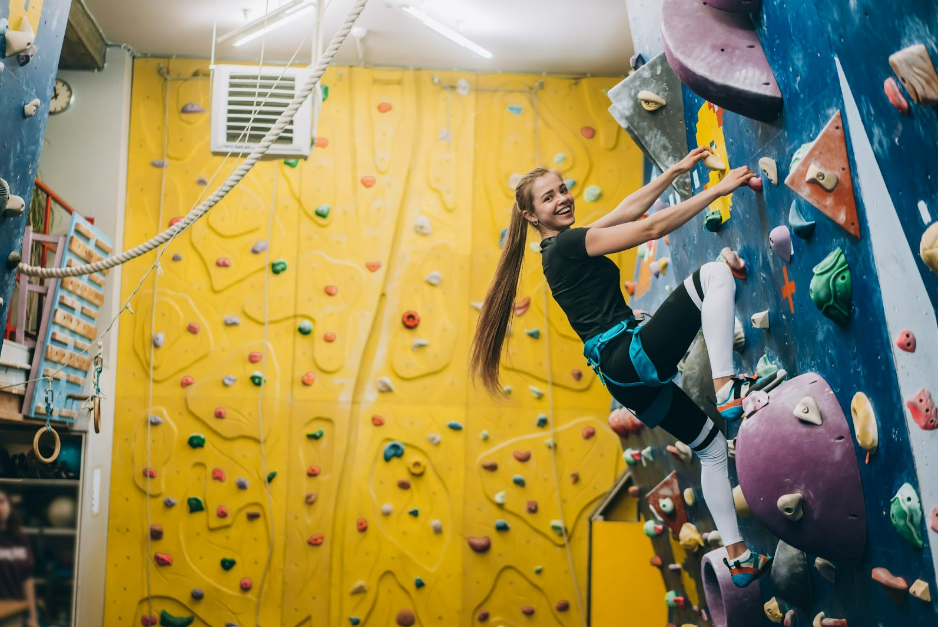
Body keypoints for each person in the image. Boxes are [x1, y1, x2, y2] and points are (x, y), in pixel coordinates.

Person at [470, 147, 785, 588]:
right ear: (530, 215)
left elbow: (625, 210)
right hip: (627, 355)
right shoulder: (566, 245)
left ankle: (737, 556)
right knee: (714, 276)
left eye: (563, 189)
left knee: (712, 447)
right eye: (548, 198)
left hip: (626, 382)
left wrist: (674, 170)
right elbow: (649, 225)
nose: (562, 199)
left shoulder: (560, 248)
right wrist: (718, 189)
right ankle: (727, 388)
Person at [0, 489, 38, 627]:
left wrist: (33, 617)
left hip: (16, 611)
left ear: (9, 505)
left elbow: (27, 579)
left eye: (2, 501)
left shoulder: (21, 538)